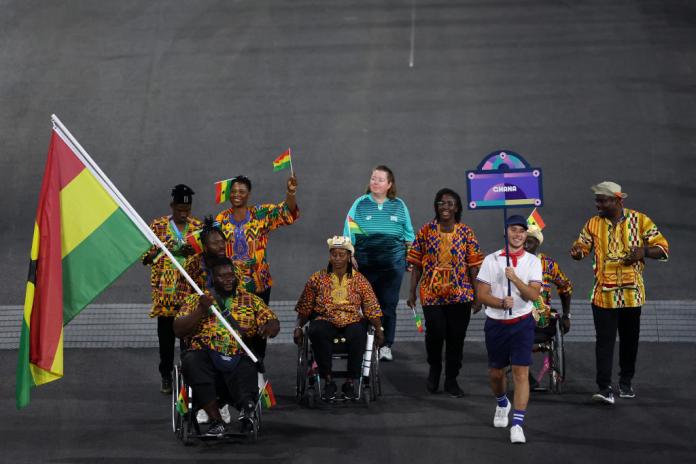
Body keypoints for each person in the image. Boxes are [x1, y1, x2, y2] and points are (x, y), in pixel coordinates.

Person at [570, 181, 668, 404]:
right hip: (603, 295)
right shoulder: (593, 224)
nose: (598, 205)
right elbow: (582, 247)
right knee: (604, 341)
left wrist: (643, 251)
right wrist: (577, 251)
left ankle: (626, 381)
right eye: (597, 200)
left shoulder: (640, 220)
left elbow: (662, 248)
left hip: (632, 294)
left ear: (616, 200)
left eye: (602, 201)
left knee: (629, 340)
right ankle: (604, 388)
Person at [173, 256, 280, 436]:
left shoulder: (251, 300)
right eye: (222, 276)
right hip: (205, 354)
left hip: (237, 353)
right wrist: (201, 310)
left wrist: (269, 327)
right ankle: (216, 420)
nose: (228, 279)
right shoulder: (196, 300)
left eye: (231, 275)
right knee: (191, 360)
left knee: (249, 364)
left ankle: (247, 412)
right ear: (213, 279)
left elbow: (273, 323)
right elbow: (178, 330)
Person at [406, 188, 484, 397]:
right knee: (435, 333)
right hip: (431, 293)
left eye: (450, 203)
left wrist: (478, 296)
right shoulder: (426, 231)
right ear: (436, 206)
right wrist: (412, 292)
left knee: (456, 338)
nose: (445, 207)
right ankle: (434, 369)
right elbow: (416, 263)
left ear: (457, 207)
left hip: (461, 294)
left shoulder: (466, 232)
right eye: (441, 203)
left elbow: (474, 267)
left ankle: (451, 379)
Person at [476, 215, 542, 444]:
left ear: (526, 235)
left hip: (522, 323)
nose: (518, 234)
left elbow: (533, 296)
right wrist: (500, 303)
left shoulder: (533, 262)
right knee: (496, 374)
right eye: (513, 230)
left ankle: (517, 423)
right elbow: (481, 295)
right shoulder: (491, 260)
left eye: (522, 231)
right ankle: (503, 402)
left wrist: (514, 278)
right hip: (495, 324)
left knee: (520, 373)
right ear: (506, 232)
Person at [216, 174, 298, 358]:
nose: (237, 194)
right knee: (235, 327)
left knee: (261, 326)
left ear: (248, 194)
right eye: (234, 191)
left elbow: (287, 213)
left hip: (258, 283)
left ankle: (258, 368)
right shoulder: (221, 219)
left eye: (242, 191)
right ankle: (236, 368)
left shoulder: (260, 214)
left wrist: (290, 192)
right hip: (231, 286)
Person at [294, 236, 384, 400]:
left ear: (349, 256)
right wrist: (298, 327)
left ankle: (350, 382)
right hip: (325, 318)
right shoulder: (317, 278)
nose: (337, 258)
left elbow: (371, 307)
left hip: (352, 319)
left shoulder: (360, 280)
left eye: (341, 255)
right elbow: (305, 307)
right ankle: (328, 381)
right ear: (330, 256)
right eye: (333, 254)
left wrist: (379, 329)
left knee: (358, 333)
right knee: (317, 331)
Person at [344, 165, 414, 361]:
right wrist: (350, 255)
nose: (375, 182)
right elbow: (348, 231)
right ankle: (367, 345)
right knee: (366, 305)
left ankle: (385, 346)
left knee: (388, 305)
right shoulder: (360, 203)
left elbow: (409, 235)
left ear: (389, 184)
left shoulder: (399, 205)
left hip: (393, 265)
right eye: (373, 178)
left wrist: (411, 257)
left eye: (380, 179)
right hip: (365, 263)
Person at [142, 184, 202, 394]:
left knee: (188, 338)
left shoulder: (197, 227)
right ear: (172, 206)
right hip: (165, 296)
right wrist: (160, 249)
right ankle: (166, 375)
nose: (184, 214)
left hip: (189, 294)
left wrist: (192, 251)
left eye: (187, 210)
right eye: (179, 210)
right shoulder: (158, 226)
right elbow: (145, 256)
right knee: (165, 341)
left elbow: (204, 256)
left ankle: (188, 375)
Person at [523, 225, 573, 390]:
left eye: (529, 242)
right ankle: (525, 375)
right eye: (522, 240)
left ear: (538, 243)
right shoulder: (509, 262)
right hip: (517, 315)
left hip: (540, 318)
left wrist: (566, 315)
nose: (524, 245)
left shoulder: (547, 264)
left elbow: (565, 287)